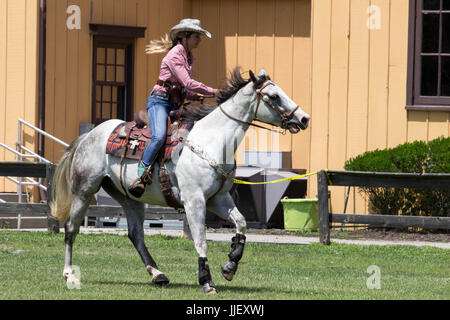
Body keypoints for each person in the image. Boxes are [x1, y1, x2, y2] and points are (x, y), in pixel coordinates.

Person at [128, 19, 219, 198]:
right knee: (159, 135)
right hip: (159, 101)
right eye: (196, 36)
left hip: (175, 103)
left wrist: (197, 96)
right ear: (184, 37)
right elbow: (188, 82)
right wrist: (213, 91)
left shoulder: (189, 56)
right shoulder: (175, 54)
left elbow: (183, 88)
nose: (198, 40)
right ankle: (140, 174)